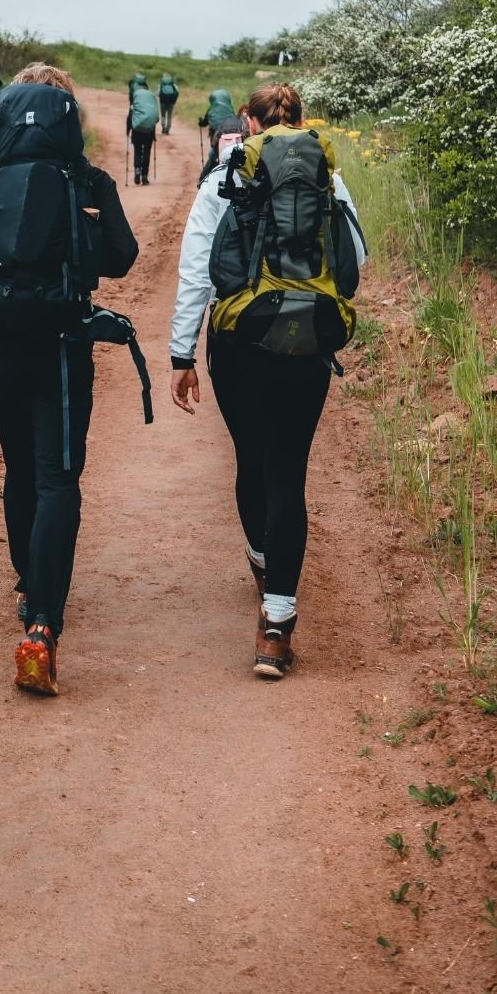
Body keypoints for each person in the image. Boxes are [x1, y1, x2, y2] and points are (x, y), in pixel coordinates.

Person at [0, 62, 139, 696]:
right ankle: (44, 621)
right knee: (58, 477)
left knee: (20, 471)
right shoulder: (87, 179)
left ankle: (29, 584)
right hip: (62, 347)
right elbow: (123, 259)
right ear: (67, 114)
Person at [168, 83, 366, 680]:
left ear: (249, 123)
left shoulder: (224, 177)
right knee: (289, 470)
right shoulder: (328, 176)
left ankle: (261, 558)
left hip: (239, 343)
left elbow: (198, 270)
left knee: (251, 461)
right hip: (307, 341)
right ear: (301, 122)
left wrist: (182, 353)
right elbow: (356, 256)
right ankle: (276, 626)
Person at [127, 78, 159, 185]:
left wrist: (128, 129)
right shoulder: (152, 97)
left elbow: (130, 115)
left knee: (137, 151)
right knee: (146, 153)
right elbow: (156, 117)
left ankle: (137, 171)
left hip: (136, 130)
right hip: (149, 132)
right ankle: (144, 176)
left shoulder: (136, 96)